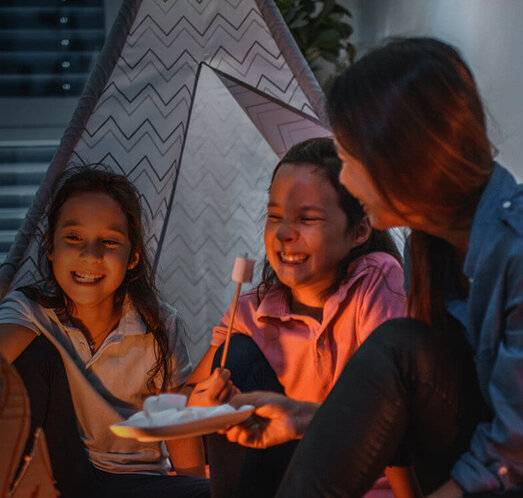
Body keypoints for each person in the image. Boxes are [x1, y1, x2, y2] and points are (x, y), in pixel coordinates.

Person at [222, 37, 523, 497]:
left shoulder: (515, 250)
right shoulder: (432, 248)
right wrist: (304, 416)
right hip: (477, 461)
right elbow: (429, 410)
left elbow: (511, 454)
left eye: (348, 159)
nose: (343, 179)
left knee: (399, 344)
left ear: (400, 157)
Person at [186, 137, 406, 497]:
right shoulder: (250, 309)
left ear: (360, 230)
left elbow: (392, 410)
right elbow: (186, 395)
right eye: (275, 216)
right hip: (286, 478)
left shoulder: (374, 280)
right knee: (236, 353)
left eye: (307, 218)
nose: (285, 233)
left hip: (362, 482)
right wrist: (203, 404)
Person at [0, 167, 210, 498]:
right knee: (34, 356)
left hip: (138, 481)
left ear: (132, 257)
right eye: (74, 238)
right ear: (50, 247)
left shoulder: (158, 324)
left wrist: (197, 485)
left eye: (109, 242)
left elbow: (176, 423)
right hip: (64, 474)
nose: (90, 255)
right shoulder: (29, 308)